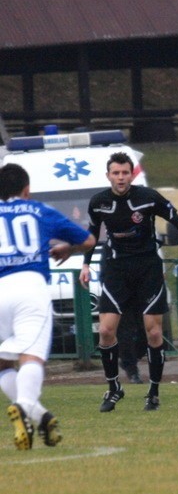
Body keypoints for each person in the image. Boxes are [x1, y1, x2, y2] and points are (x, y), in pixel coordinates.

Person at [80, 152, 178, 413]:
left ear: (131, 174)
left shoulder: (148, 198)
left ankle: (154, 392)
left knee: (154, 332)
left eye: (125, 173)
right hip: (115, 269)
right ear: (108, 175)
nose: (121, 177)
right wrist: (86, 263)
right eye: (116, 173)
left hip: (147, 267)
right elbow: (92, 233)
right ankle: (114, 388)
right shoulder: (98, 202)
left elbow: (177, 221)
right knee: (105, 331)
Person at [0, 163, 96, 449]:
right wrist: (69, 248)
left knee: (3, 362)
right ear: (26, 190)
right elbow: (89, 240)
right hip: (30, 286)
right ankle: (25, 405)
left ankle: (40, 416)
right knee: (32, 357)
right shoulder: (39, 210)